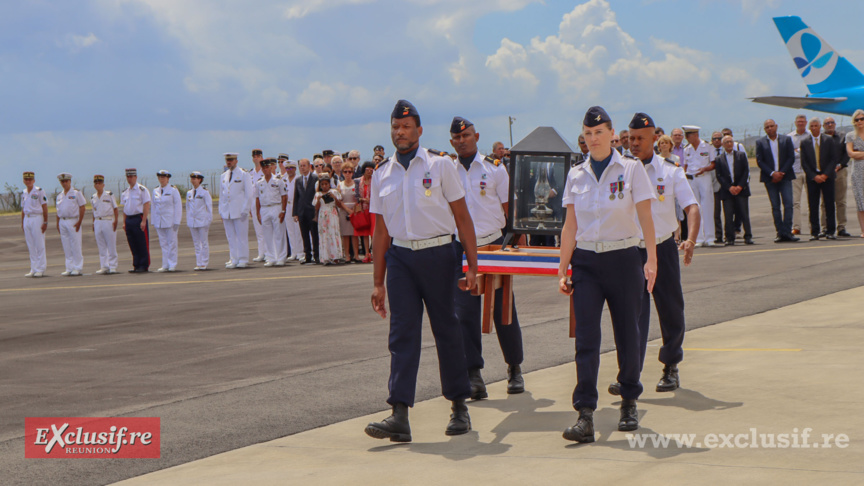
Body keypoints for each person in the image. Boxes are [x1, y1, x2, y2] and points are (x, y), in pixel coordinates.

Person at [365, 100, 478, 442]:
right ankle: (399, 414)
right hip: (400, 258)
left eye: (406, 127)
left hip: (439, 255)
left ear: (419, 130)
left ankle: (459, 405)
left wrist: (472, 267)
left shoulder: (441, 166)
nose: (400, 132)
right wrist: (378, 282)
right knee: (401, 334)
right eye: (395, 127)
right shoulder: (382, 174)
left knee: (447, 329)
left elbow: (462, 218)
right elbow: (381, 232)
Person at [558, 106, 657, 443]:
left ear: (612, 134)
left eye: (598, 133)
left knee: (627, 333)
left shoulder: (630, 170)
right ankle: (585, 414)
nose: (593, 139)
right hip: (586, 263)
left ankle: (629, 400)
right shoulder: (576, 175)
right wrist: (563, 267)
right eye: (587, 134)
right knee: (586, 339)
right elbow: (570, 225)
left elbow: (646, 217)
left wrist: (652, 260)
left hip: (625, 259)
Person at [608, 112, 699, 397]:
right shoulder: (618, 170)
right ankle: (628, 375)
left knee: (671, 307)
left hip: (661, 247)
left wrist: (691, 239)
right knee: (630, 315)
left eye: (639, 139)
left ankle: (671, 365)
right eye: (630, 138)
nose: (633, 144)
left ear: (652, 138)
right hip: (629, 250)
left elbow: (691, 208)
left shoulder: (670, 171)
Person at [449, 116, 525, 399]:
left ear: (476, 136)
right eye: (456, 137)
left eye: (466, 135)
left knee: (503, 309)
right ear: (451, 141)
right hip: (460, 248)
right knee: (464, 314)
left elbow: (510, 209)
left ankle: (514, 367)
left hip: (492, 244)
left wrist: (516, 243)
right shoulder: (447, 169)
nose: (461, 141)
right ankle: (474, 375)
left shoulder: (495, 169)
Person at [755, 119, 798, 243]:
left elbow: (791, 157)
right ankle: (780, 232)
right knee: (775, 206)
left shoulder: (786, 140)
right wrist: (772, 173)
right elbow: (760, 161)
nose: (770, 128)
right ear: (765, 129)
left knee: (789, 204)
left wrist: (781, 173)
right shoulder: (760, 142)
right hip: (770, 179)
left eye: (771, 126)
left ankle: (787, 232)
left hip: (785, 176)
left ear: (776, 126)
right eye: (767, 127)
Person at [800, 117, 838, 240]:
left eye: (816, 126)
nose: (814, 128)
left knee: (829, 204)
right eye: (812, 126)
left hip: (827, 177)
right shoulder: (805, 142)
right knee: (813, 205)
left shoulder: (828, 140)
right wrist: (814, 176)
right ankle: (815, 232)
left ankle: (831, 230)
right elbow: (804, 162)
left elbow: (833, 159)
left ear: (820, 126)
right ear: (809, 128)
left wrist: (825, 175)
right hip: (813, 178)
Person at [682, 125, 717, 247]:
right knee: (695, 208)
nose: (687, 138)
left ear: (695, 135)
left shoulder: (707, 146)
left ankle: (710, 237)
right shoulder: (687, 149)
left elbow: (713, 164)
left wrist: (704, 169)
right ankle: (699, 238)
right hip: (692, 179)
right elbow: (685, 166)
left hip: (704, 177)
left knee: (707, 207)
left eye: (689, 135)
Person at [715, 135, 753, 245]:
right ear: (722, 144)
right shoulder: (719, 159)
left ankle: (748, 236)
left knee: (744, 214)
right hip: (727, 191)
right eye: (726, 142)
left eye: (731, 141)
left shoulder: (741, 155)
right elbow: (719, 175)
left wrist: (740, 186)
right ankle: (730, 238)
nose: (729, 144)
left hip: (741, 189)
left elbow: (746, 171)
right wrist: (729, 187)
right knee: (728, 215)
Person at [220, 152, 254, 269]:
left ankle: (243, 259)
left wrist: (245, 210)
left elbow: (249, 194)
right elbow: (222, 195)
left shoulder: (244, 174)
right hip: (227, 211)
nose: (229, 162)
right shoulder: (223, 176)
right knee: (230, 237)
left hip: (239, 211)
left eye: (231, 160)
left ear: (236, 161)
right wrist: (221, 211)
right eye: (227, 160)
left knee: (241, 237)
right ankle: (234, 258)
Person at [822, 117, 852, 237]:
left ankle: (841, 227)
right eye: (827, 123)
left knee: (841, 201)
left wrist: (840, 165)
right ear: (824, 126)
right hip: (825, 173)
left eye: (832, 123)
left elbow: (847, 153)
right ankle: (825, 227)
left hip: (840, 172)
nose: (830, 125)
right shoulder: (821, 138)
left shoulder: (842, 137)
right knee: (825, 202)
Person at [255, 158, 289, 266]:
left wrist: (283, 210)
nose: (265, 170)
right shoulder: (259, 182)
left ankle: (281, 257)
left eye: (267, 167)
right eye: (263, 168)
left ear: (271, 167)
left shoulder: (278, 180)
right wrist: (258, 213)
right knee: (267, 235)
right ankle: (271, 257)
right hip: (264, 208)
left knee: (279, 233)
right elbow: (257, 198)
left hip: (276, 207)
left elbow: (284, 196)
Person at [151, 170, 183, 272]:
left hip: (170, 221)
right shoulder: (155, 190)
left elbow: (178, 206)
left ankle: (172, 264)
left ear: (168, 178)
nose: (162, 179)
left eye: (164, 177)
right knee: (163, 243)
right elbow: (153, 207)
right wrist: (154, 221)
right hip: (159, 221)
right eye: (160, 177)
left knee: (172, 243)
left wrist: (177, 221)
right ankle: (165, 264)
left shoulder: (173, 190)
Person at [55, 172, 86, 276]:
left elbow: (82, 207)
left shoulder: (76, 193)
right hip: (62, 221)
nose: (64, 183)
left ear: (70, 181)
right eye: (62, 181)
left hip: (73, 220)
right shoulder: (59, 195)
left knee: (75, 244)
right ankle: (69, 267)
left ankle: (78, 267)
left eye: (66, 181)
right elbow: (58, 210)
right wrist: (57, 223)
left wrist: (79, 221)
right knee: (66, 245)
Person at [121, 168, 151, 273]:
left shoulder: (142, 190)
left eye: (131, 176)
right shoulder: (125, 192)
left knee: (142, 243)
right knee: (132, 243)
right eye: (128, 177)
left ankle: (144, 265)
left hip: (139, 218)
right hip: (129, 219)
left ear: (136, 177)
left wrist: (143, 221)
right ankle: (136, 264)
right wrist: (124, 222)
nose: (129, 179)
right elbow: (124, 208)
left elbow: (146, 204)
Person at [313, 173, 345, 265]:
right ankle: (325, 257)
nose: (324, 186)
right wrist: (319, 199)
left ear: (329, 184)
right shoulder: (318, 194)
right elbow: (316, 208)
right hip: (323, 214)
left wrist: (334, 198)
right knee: (324, 235)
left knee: (333, 233)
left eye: (326, 184)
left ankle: (335, 256)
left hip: (332, 213)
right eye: (322, 184)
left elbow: (339, 205)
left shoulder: (334, 192)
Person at [293, 158, 320, 265]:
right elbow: (296, 197)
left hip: (312, 211)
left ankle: (317, 256)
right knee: (304, 235)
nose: (302, 168)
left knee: (314, 235)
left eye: (304, 166)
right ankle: (307, 255)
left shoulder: (315, 178)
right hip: (302, 212)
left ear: (309, 166)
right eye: (301, 166)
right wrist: (295, 213)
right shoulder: (298, 180)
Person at [21, 171, 48, 277]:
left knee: (39, 244)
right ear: (23, 181)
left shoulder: (39, 191)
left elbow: (44, 206)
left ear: (34, 180)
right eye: (26, 179)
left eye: (30, 179)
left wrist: (45, 222)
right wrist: (22, 222)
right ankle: (34, 268)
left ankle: (41, 268)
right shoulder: (24, 192)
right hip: (27, 219)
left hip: (37, 218)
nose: (28, 181)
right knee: (30, 244)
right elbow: (23, 209)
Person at [91, 175, 119, 274]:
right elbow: (93, 211)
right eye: (96, 183)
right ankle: (104, 266)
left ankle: (113, 266)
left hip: (108, 220)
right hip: (98, 221)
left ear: (103, 185)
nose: (97, 185)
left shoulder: (109, 195)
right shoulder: (93, 197)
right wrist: (93, 223)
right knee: (101, 245)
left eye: (99, 183)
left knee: (111, 244)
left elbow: (115, 208)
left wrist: (116, 220)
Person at [186, 171, 213, 270]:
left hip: (202, 221)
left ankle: (204, 262)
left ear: (200, 180)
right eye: (192, 178)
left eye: (195, 179)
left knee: (204, 242)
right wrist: (188, 220)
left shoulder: (204, 192)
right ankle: (199, 262)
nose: (193, 180)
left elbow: (209, 207)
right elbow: (188, 208)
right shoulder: (189, 192)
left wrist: (209, 220)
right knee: (196, 243)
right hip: (193, 222)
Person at [789, 114, 810, 235]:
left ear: (806, 123)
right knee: (795, 202)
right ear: (795, 123)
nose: (801, 123)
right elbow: (789, 154)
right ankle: (796, 226)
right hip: (795, 171)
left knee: (811, 200)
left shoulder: (810, 136)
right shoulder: (790, 137)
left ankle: (813, 225)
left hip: (808, 171)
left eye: (803, 121)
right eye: (799, 122)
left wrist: (797, 151)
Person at [337, 163, 361, 262]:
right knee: (345, 234)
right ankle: (347, 255)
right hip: (343, 210)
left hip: (354, 210)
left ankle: (356, 255)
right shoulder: (340, 185)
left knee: (355, 234)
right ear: (342, 173)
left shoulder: (356, 184)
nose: (348, 174)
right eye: (345, 172)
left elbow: (358, 198)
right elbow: (339, 200)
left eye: (350, 172)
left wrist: (354, 210)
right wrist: (347, 210)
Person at [282, 160, 304, 262]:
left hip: (296, 206)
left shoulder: (299, 179)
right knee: (290, 230)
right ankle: (294, 252)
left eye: (291, 168)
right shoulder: (283, 179)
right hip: (287, 206)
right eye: (287, 168)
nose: (289, 170)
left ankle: (300, 252)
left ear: (295, 169)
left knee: (298, 230)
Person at [847, 109, 864, 237]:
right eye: (857, 120)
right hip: (858, 171)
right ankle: (863, 230)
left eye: (862, 119)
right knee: (861, 202)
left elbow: (856, 153)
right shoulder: (850, 136)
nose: (860, 122)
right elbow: (851, 153)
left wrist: (859, 154)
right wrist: (857, 154)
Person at [355, 161, 375, 263]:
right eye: (367, 169)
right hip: (363, 209)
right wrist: (362, 200)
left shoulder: (375, 181)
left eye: (372, 169)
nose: (370, 171)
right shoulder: (358, 181)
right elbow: (356, 196)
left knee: (373, 232)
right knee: (365, 233)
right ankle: (367, 253)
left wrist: (369, 200)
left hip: (373, 209)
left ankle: (374, 253)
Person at [250, 149, 267, 263]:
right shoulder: (250, 173)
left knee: (267, 230)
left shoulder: (265, 172)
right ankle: (261, 253)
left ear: (262, 157)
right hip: (253, 204)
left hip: (264, 204)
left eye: (258, 156)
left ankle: (268, 253)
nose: (256, 158)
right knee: (259, 231)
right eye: (254, 156)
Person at [709, 131, 725, 244]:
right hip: (714, 185)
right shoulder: (709, 151)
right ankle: (718, 235)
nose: (717, 141)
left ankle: (731, 234)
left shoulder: (728, 150)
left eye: (719, 138)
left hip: (727, 185)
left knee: (730, 212)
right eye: (714, 139)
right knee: (715, 212)